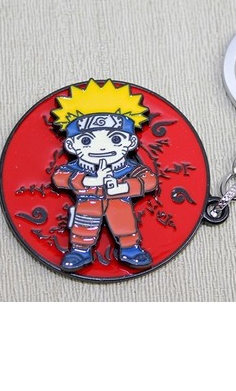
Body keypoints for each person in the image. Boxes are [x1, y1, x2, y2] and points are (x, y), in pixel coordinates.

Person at [51, 79, 157, 271]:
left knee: (124, 222)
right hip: (87, 204)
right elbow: (60, 177)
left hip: (119, 202)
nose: (101, 147)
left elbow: (149, 180)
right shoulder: (76, 168)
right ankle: (80, 251)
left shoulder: (129, 167)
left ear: (131, 142)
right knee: (83, 226)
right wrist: (89, 180)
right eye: (87, 141)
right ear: (71, 146)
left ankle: (130, 249)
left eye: (115, 139)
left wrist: (123, 187)